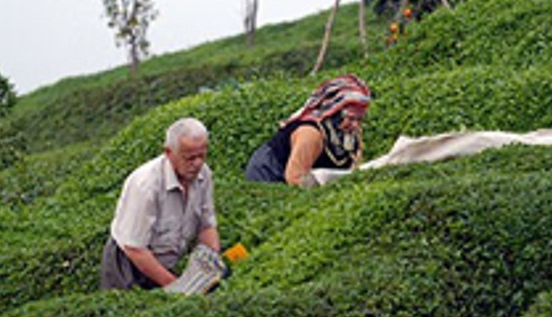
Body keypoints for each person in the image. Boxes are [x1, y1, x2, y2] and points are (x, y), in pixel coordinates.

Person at [100, 117, 221, 292]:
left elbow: (206, 225)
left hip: (166, 260)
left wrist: (211, 264)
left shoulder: (204, 175)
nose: (197, 164)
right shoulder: (146, 185)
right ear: (169, 152)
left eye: (202, 156)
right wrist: (177, 287)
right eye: (189, 158)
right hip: (129, 266)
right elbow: (134, 248)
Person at [245, 74, 371, 187]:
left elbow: (353, 171)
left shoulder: (350, 134)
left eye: (360, 119)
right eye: (350, 118)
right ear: (334, 113)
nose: (355, 125)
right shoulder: (310, 134)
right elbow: (295, 179)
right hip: (269, 175)